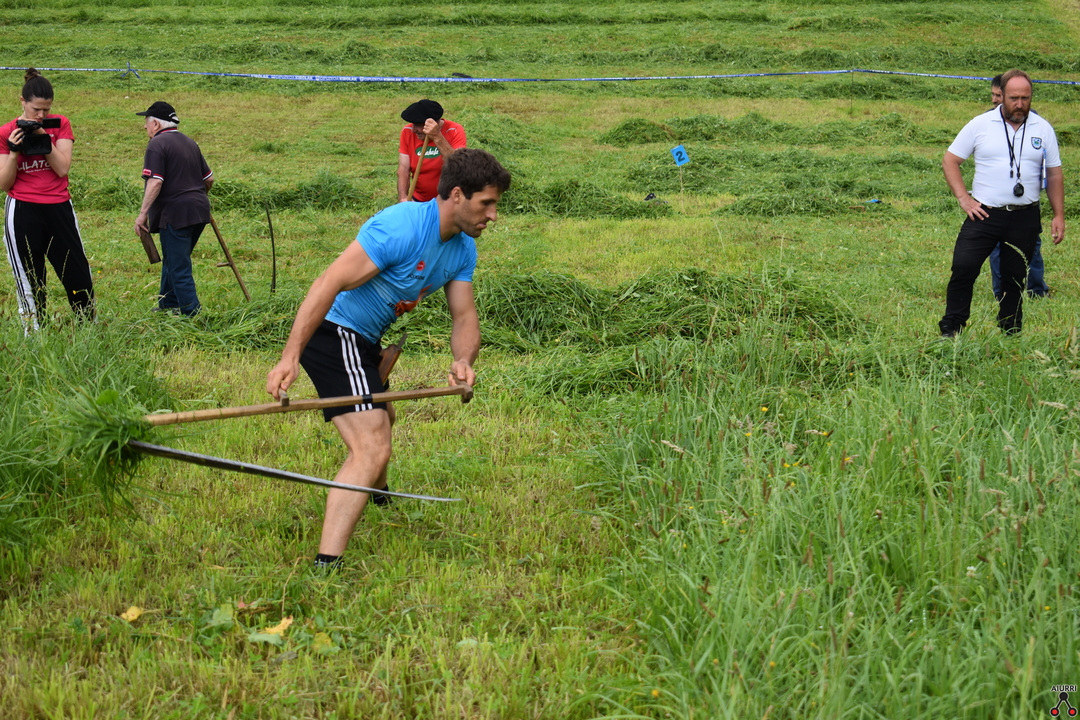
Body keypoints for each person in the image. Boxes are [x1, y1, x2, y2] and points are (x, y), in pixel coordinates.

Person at [266, 149, 510, 572]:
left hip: (365, 340)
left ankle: (377, 496)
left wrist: (463, 360)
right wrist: (290, 357)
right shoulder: (400, 227)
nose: (493, 215)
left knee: (384, 417)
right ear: (457, 194)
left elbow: (464, 315)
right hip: (334, 333)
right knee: (372, 444)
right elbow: (327, 283)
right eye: (486, 203)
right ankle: (326, 566)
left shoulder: (462, 248)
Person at [939, 69, 1065, 338]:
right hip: (984, 214)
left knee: (1015, 277)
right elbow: (950, 160)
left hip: (1024, 216)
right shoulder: (980, 124)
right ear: (1001, 96)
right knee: (963, 267)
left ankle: (1010, 331)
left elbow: (1054, 173)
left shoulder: (1043, 128)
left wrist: (1058, 214)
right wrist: (964, 199)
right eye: (1013, 98)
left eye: (1025, 98)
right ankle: (952, 328)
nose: (1019, 104)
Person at [1, 68, 94, 330]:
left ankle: (88, 328)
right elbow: (4, 183)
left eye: (46, 109)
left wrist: (43, 137)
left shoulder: (59, 124)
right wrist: (13, 152)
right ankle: (34, 333)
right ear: (22, 101)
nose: (41, 115)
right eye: (36, 109)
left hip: (59, 205)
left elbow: (62, 168)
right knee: (30, 275)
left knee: (77, 272)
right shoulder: (6, 132)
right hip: (23, 208)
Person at [134, 101, 213, 316]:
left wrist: (142, 215)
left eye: (147, 122)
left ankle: (193, 315)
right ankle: (167, 304)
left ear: (156, 124)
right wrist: (196, 198)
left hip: (175, 215)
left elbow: (155, 182)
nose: (145, 127)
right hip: (199, 211)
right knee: (173, 258)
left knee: (179, 267)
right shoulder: (190, 142)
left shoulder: (157, 144)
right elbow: (209, 179)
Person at [986, 73, 1050, 299]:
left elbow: (1047, 164)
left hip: (1026, 200)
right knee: (997, 248)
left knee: (1032, 245)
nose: (995, 99)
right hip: (997, 201)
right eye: (994, 95)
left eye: (999, 95)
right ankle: (1002, 292)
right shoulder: (987, 123)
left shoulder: (1037, 124)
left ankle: (1036, 290)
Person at [396, 99, 466, 203]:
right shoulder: (407, 131)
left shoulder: (454, 130)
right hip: (418, 200)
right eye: (413, 124)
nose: (413, 129)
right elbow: (403, 169)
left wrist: (437, 136)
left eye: (418, 125)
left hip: (448, 201)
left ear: (435, 124)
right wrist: (403, 198)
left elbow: (458, 165)